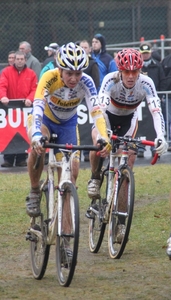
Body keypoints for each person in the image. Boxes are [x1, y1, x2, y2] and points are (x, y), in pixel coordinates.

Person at [87, 48, 168, 240]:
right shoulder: (110, 80)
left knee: (126, 166)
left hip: (128, 121)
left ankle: (121, 224)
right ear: (120, 70)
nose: (131, 76)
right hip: (106, 117)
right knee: (97, 143)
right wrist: (104, 136)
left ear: (140, 70)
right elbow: (100, 108)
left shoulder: (146, 83)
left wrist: (161, 136)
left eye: (135, 72)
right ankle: (95, 177)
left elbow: (156, 111)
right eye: (127, 72)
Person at [26, 42, 111, 219]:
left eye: (78, 73)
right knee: (37, 146)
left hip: (68, 124)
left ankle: (65, 239)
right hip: (45, 120)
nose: (74, 78)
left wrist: (103, 137)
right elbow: (38, 105)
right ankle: (35, 190)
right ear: (60, 69)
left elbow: (96, 112)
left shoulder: (86, 82)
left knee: (70, 176)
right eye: (69, 73)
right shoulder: (49, 77)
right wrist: (35, 134)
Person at [0, 51, 37, 167]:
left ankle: (22, 157)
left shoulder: (31, 74)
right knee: (9, 132)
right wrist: (3, 96)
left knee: (23, 132)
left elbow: (34, 89)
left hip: (24, 109)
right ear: (14, 60)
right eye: (18, 59)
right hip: (9, 110)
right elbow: (2, 85)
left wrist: (30, 99)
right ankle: (8, 158)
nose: (20, 61)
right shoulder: (6, 72)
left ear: (25, 60)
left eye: (22, 59)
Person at [137, 42, 167, 158]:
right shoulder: (137, 68)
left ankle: (155, 146)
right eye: (143, 53)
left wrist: (159, 96)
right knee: (141, 124)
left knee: (156, 123)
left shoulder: (157, 66)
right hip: (140, 101)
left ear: (150, 53)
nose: (145, 55)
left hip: (154, 99)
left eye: (146, 53)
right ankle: (140, 147)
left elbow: (163, 80)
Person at [79, 39, 100, 162]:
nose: (83, 49)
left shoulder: (92, 63)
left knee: (88, 127)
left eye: (85, 47)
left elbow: (96, 82)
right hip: (74, 100)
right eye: (81, 47)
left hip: (87, 99)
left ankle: (88, 152)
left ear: (89, 49)